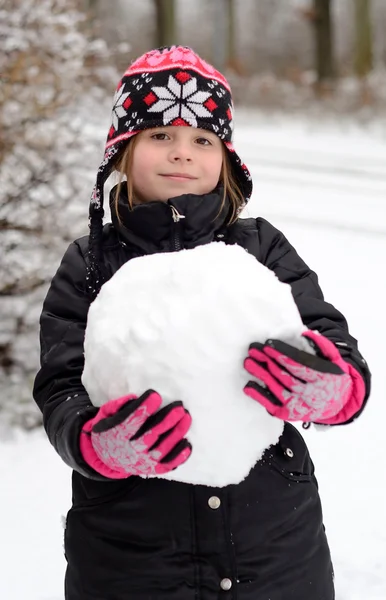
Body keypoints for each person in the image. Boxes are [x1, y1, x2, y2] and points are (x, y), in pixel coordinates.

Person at [33, 46, 370, 600]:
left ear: (225, 157)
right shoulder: (90, 263)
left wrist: (334, 390)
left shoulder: (260, 247)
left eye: (202, 140)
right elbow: (61, 384)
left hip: (274, 538)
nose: (182, 154)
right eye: (160, 135)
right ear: (124, 150)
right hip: (132, 548)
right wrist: (94, 443)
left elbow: (329, 340)